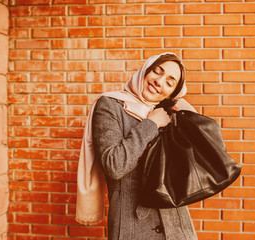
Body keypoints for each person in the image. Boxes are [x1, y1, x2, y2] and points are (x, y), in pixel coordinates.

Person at [76, 52, 198, 240]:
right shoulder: (110, 105)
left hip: (178, 229)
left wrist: (191, 118)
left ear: (173, 93)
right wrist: (151, 125)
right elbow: (114, 166)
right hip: (132, 228)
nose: (159, 81)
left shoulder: (169, 114)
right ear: (145, 71)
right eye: (157, 71)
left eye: (169, 82)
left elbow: (193, 171)